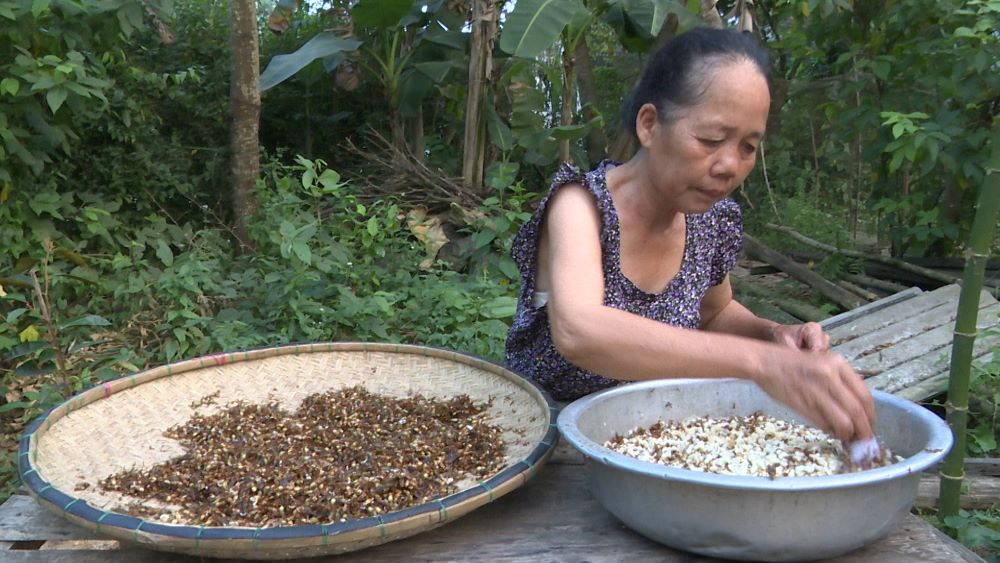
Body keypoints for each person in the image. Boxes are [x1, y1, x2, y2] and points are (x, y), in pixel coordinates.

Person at [505, 27, 874, 444]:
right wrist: (761, 362)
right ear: (649, 125)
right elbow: (579, 330)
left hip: (656, 432)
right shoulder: (581, 206)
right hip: (550, 445)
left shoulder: (710, 221)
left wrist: (773, 336)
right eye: (712, 140)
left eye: (749, 147)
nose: (729, 165)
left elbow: (715, 313)